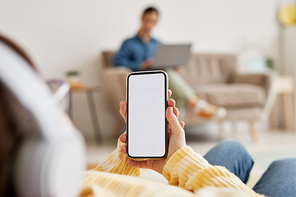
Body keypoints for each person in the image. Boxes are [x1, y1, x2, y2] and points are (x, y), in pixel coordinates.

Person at [1, 34, 296, 197]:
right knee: (287, 164)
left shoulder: (68, 184)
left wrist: (125, 157)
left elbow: (99, 181)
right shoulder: (130, 43)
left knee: (231, 146)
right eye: (51, 97)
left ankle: (193, 101)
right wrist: (182, 160)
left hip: (148, 165)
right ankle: (197, 103)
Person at [113, 7, 227, 120]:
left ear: (156, 23)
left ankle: (175, 130)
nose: (149, 24)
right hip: (144, 77)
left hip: (161, 77)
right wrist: (140, 64)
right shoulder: (129, 43)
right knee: (166, 72)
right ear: (142, 19)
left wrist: (174, 66)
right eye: (147, 20)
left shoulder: (158, 44)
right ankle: (196, 104)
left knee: (175, 92)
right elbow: (117, 62)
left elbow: (165, 60)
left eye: (152, 21)